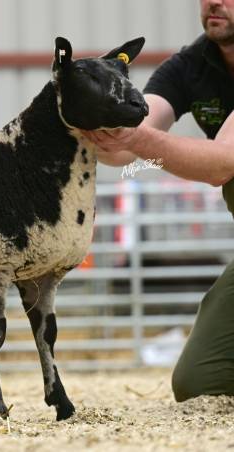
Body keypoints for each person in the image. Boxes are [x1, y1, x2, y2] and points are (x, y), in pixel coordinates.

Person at [83, 0, 234, 402]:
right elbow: (125, 148)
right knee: (200, 381)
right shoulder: (190, 65)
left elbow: (223, 163)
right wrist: (93, 121)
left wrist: (134, 138)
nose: (215, 2)